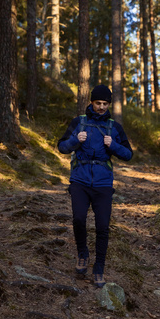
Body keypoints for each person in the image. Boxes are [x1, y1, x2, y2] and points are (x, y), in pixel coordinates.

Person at [57, 85, 133, 288]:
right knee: (79, 219)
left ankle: (99, 267)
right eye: (98, 103)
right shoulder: (78, 123)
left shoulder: (114, 127)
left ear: (109, 105)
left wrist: (113, 145)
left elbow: (128, 154)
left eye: (105, 104)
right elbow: (62, 147)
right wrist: (75, 140)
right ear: (91, 102)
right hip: (79, 181)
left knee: (102, 227)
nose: (101, 107)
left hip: (103, 184)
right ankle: (82, 254)